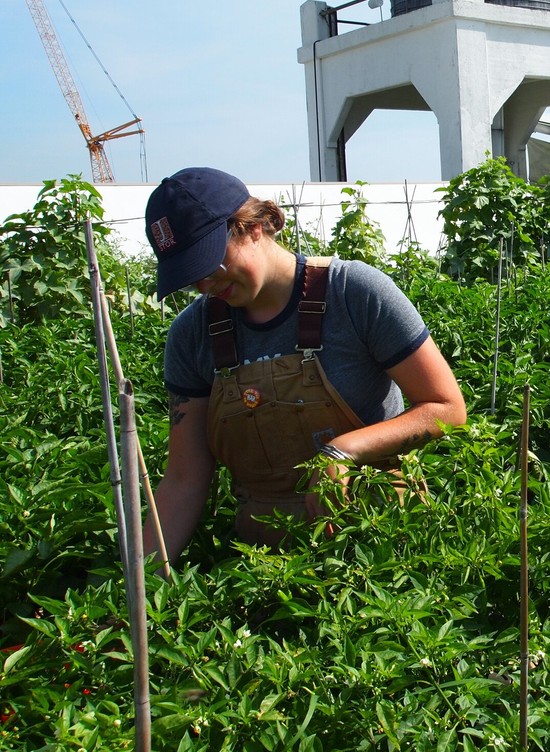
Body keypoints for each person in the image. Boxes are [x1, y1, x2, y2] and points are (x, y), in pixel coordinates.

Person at [141, 167, 466, 555]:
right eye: (190, 274)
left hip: (381, 549)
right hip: (265, 567)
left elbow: (446, 408)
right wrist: (138, 587)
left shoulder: (354, 292)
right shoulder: (192, 333)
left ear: (251, 228)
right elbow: (183, 480)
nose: (204, 284)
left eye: (210, 262)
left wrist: (345, 449)